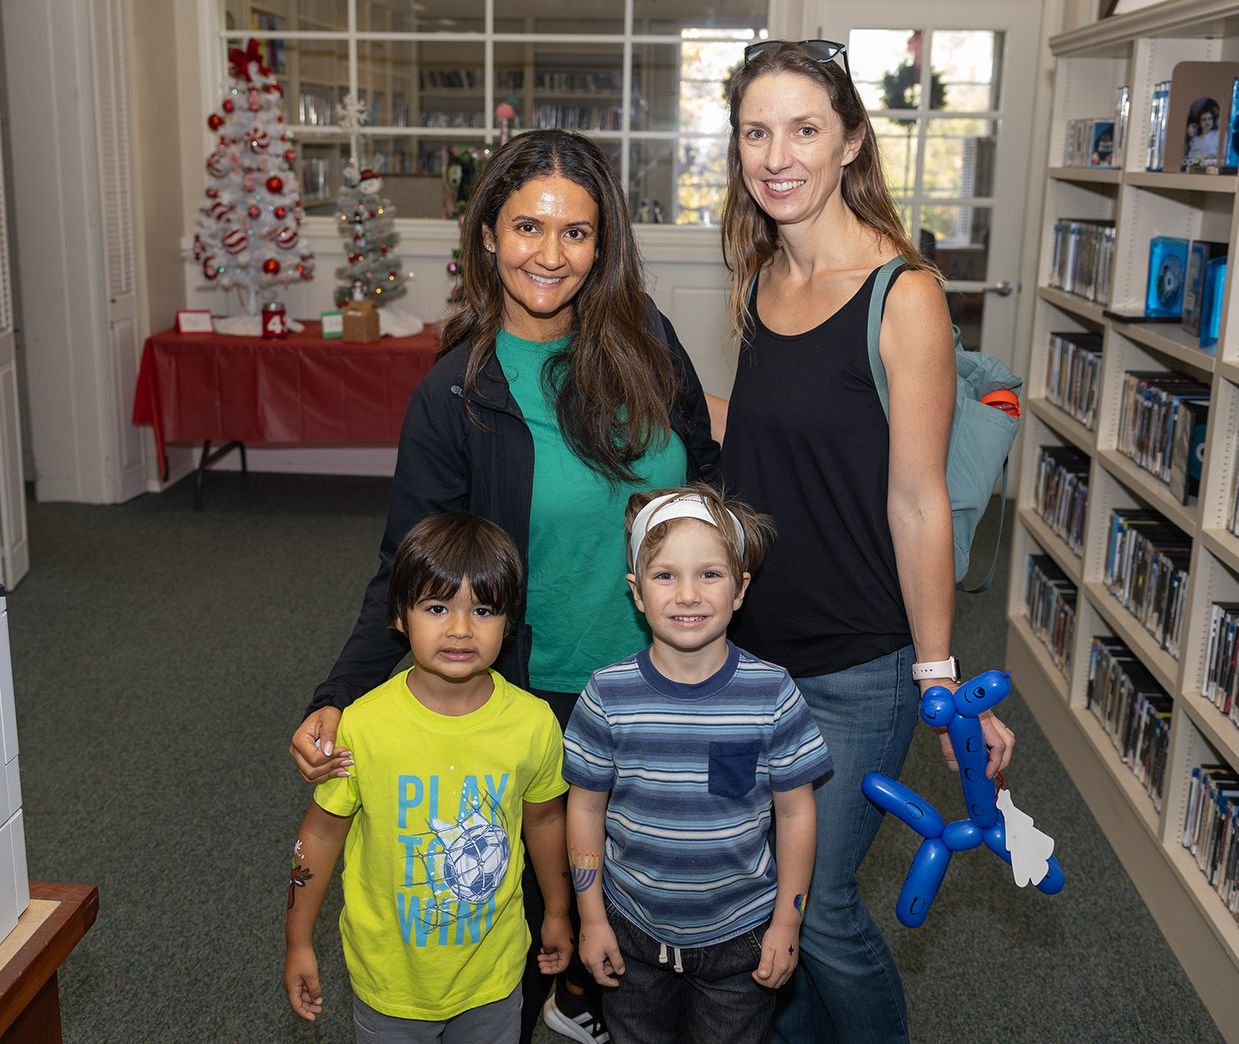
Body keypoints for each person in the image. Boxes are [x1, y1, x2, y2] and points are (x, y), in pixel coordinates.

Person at [289, 128, 722, 1044]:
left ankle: (591, 1009)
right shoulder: (458, 394)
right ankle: (559, 1007)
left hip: (671, 682)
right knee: (533, 913)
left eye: (576, 233)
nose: (550, 255)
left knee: (665, 902)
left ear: (604, 244)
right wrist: (338, 695)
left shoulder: (649, 342)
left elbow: (708, 483)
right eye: (527, 227)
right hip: (545, 698)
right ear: (487, 234)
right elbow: (410, 567)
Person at [714, 40, 1018, 1044]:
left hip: (857, 661)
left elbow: (917, 500)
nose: (776, 155)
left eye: (803, 129)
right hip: (752, 655)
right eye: (756, 131)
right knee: (765, 894)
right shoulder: (758, 279)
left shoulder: (904, 295)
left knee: (819, 905)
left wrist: (939, 676)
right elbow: (764, 450)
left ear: (849, 140)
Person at [283, 512, 572, 1042]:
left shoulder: (534, 724)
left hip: (494, 977)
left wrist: (557, 910)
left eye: (482, 610)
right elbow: (320, 834)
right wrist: (298, 939)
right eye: (437, 607)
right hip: (388, 980)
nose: (460, 628)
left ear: (508, 621)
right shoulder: (363, 726)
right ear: (399, 617)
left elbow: (547, 821)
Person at [564, 484, 830, 1044]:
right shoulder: (606, 695)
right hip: (630, 927)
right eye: (665, 576)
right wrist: (590, 917)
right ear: (637, 593)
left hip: (742, 935)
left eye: (710, 574)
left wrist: (789, 919)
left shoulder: (773, 693)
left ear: (740, 589)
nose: (688, 594)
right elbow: (584, 809)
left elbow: (797, 815)